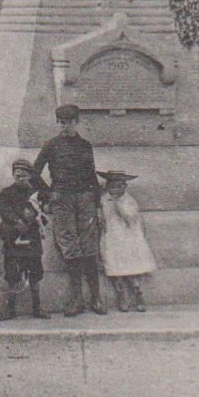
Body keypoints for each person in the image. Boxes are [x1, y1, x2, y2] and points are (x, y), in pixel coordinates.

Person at [29, 104, 106, 317]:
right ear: (58, 123)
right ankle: (77, 299)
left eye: (70, 123)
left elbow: (91, 175)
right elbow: (34, 174)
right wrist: (48, 194)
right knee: (70, 248)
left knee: (89, 246)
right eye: (62, 123)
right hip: (61, 199)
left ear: (77, 122)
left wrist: (96, 202)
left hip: (84, 199)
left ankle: (96, 298)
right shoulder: (51, 146)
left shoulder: (85, 146)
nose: (66, 127)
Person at [0, 159, 50, 320]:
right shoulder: (6, 192)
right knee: (12, 274)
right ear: (13, 175)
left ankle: (37, 307)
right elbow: (4, 210)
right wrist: (17, 220)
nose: (21, 178)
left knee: (35, 273)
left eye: (24, 175)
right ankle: (10, 308)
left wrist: (34, 217)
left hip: (32, 239)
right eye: (18, 175)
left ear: (30, 176)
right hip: (13, 239)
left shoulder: (36, 194)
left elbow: (44, 214)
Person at [99, 172, 155, 312]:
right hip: (111, 238)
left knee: (130, 270)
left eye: (117, 187)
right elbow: (102, 217)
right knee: (115, 269)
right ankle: (122, 296)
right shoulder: (104, 200)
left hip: (127, 238)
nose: (114, 190)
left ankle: (137, 296)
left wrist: (119, 205)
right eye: (111, 187)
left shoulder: (128, 201)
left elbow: (131, 217)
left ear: (124, 187)